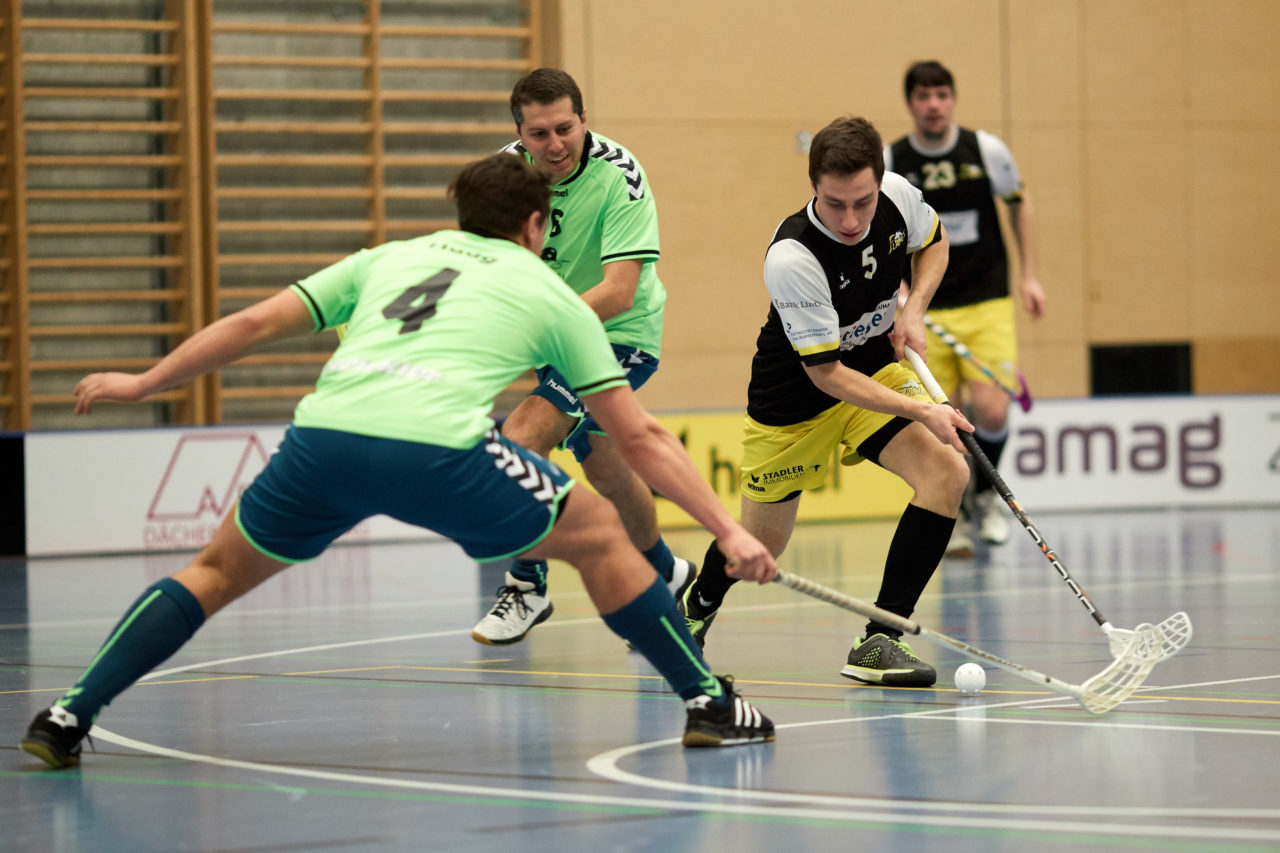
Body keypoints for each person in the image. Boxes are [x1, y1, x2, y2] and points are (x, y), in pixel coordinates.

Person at [19, 154, 778, 770]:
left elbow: (253, 322)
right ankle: (707, 700)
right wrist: (727, 531)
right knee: (602, 536)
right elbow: (640, 438)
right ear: (535, 224)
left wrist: (145, 381)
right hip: (439, 448)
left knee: (212, 572)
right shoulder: (551, 293)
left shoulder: (387, 258)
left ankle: (67, 714)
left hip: (326, 440)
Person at [677, 116, 973, 687]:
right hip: (796, 399)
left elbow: (934, 244)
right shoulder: (793, 258)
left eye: (862, 202)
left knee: (946, 473)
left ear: (879, 183)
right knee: (762, 542)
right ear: (813, 185)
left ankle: (880, 638)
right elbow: (826, 374)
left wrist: (912, 314)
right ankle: (694, 608)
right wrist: (924, 411)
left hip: (872, 370)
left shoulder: (898, 197)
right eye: (835, 204)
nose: (851, 219)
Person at [471, 68, 694, 646]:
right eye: (539, 134)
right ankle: (666, 572)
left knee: (520, 437)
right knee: (604, 465)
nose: (555, 145)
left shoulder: (621, 175)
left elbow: (620, 290)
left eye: (565, 128)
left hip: (621, 334)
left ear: (584, 118)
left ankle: (526, 584)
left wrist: (534, 327)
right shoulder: (506, 175)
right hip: (558, 334)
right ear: (519, 132)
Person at [885, 60, 1046, 555]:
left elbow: (1020, 205)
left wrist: (1029, 275)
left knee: (993, 411)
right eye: (923, 96)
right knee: (940, 417)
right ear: (910, 103)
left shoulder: (987, 151)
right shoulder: (893, 159)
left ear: (952, 99)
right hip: (925, 309)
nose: (933, 104)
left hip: (988, 301)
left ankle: (984, 498)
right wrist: (899, 292)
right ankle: (952, 509)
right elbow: (881, 229)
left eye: (941, 95)